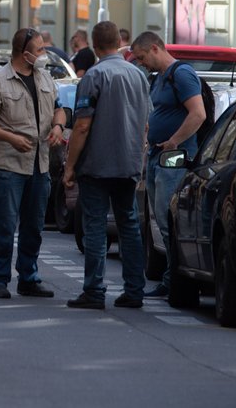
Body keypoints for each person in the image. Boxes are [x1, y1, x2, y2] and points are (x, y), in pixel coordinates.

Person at [63, 21, 149, 310]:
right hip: (129, 163)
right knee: (129, 226)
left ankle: (94, 291)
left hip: (98, 165)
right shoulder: (138, 75)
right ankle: (135, 291)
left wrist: (69, 166)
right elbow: (145, 124)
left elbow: (83, 125)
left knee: (96, 227)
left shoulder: (95, 75)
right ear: (118, 42)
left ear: (96, 46)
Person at [0, 27, 66, 299]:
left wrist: (59, 126)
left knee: (34, 226)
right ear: (24, 54)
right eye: (39, 50)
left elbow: (59, 107)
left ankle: (28, 277)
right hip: (9, 165)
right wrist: (11, 138)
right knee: (5, 225)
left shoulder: (45, 78)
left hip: (40, 164)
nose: (43, 55)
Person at [129, 31, 207, 298]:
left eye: (141, 57)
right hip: (158, 156)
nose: (141, 63)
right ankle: (170, 278)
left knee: (168, 220)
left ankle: (177, 281)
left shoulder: (181, 74)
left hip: (173, 158)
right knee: (161, 220)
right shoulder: (159, 78)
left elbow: (198, 114)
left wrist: (173, 141)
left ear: (154, 48)